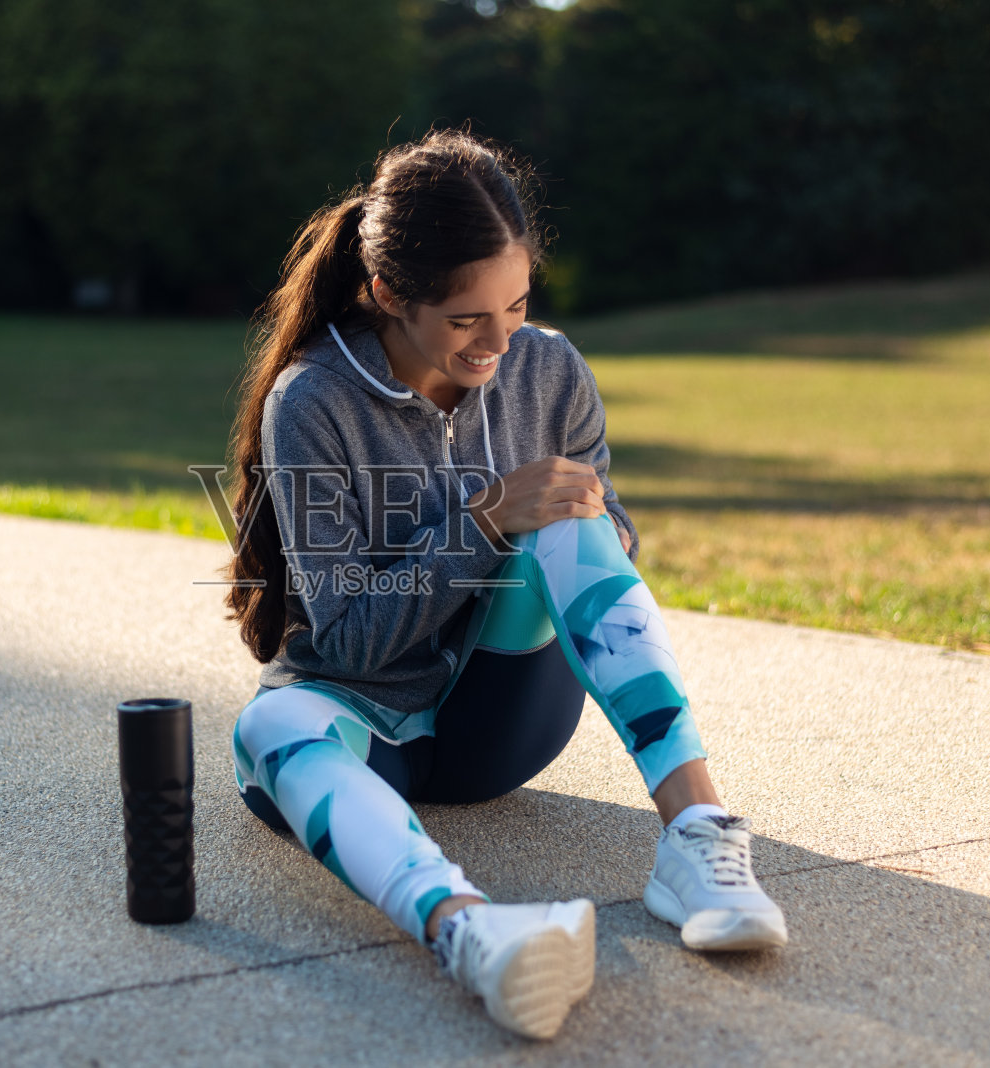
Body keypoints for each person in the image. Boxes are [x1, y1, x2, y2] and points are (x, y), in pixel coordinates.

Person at [218, 130, 786, 1041]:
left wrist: (556, 519)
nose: (499, 342)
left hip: (502, 719)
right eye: (466, 320)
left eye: (516, 305)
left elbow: (614, 545)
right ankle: (471, 933)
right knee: (267, 725)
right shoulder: (313, 400)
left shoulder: (550, 367)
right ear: (388, 295)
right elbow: (353, 640)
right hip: (364, 724)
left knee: (570, 518)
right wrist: (484, 517)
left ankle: (698, 838)